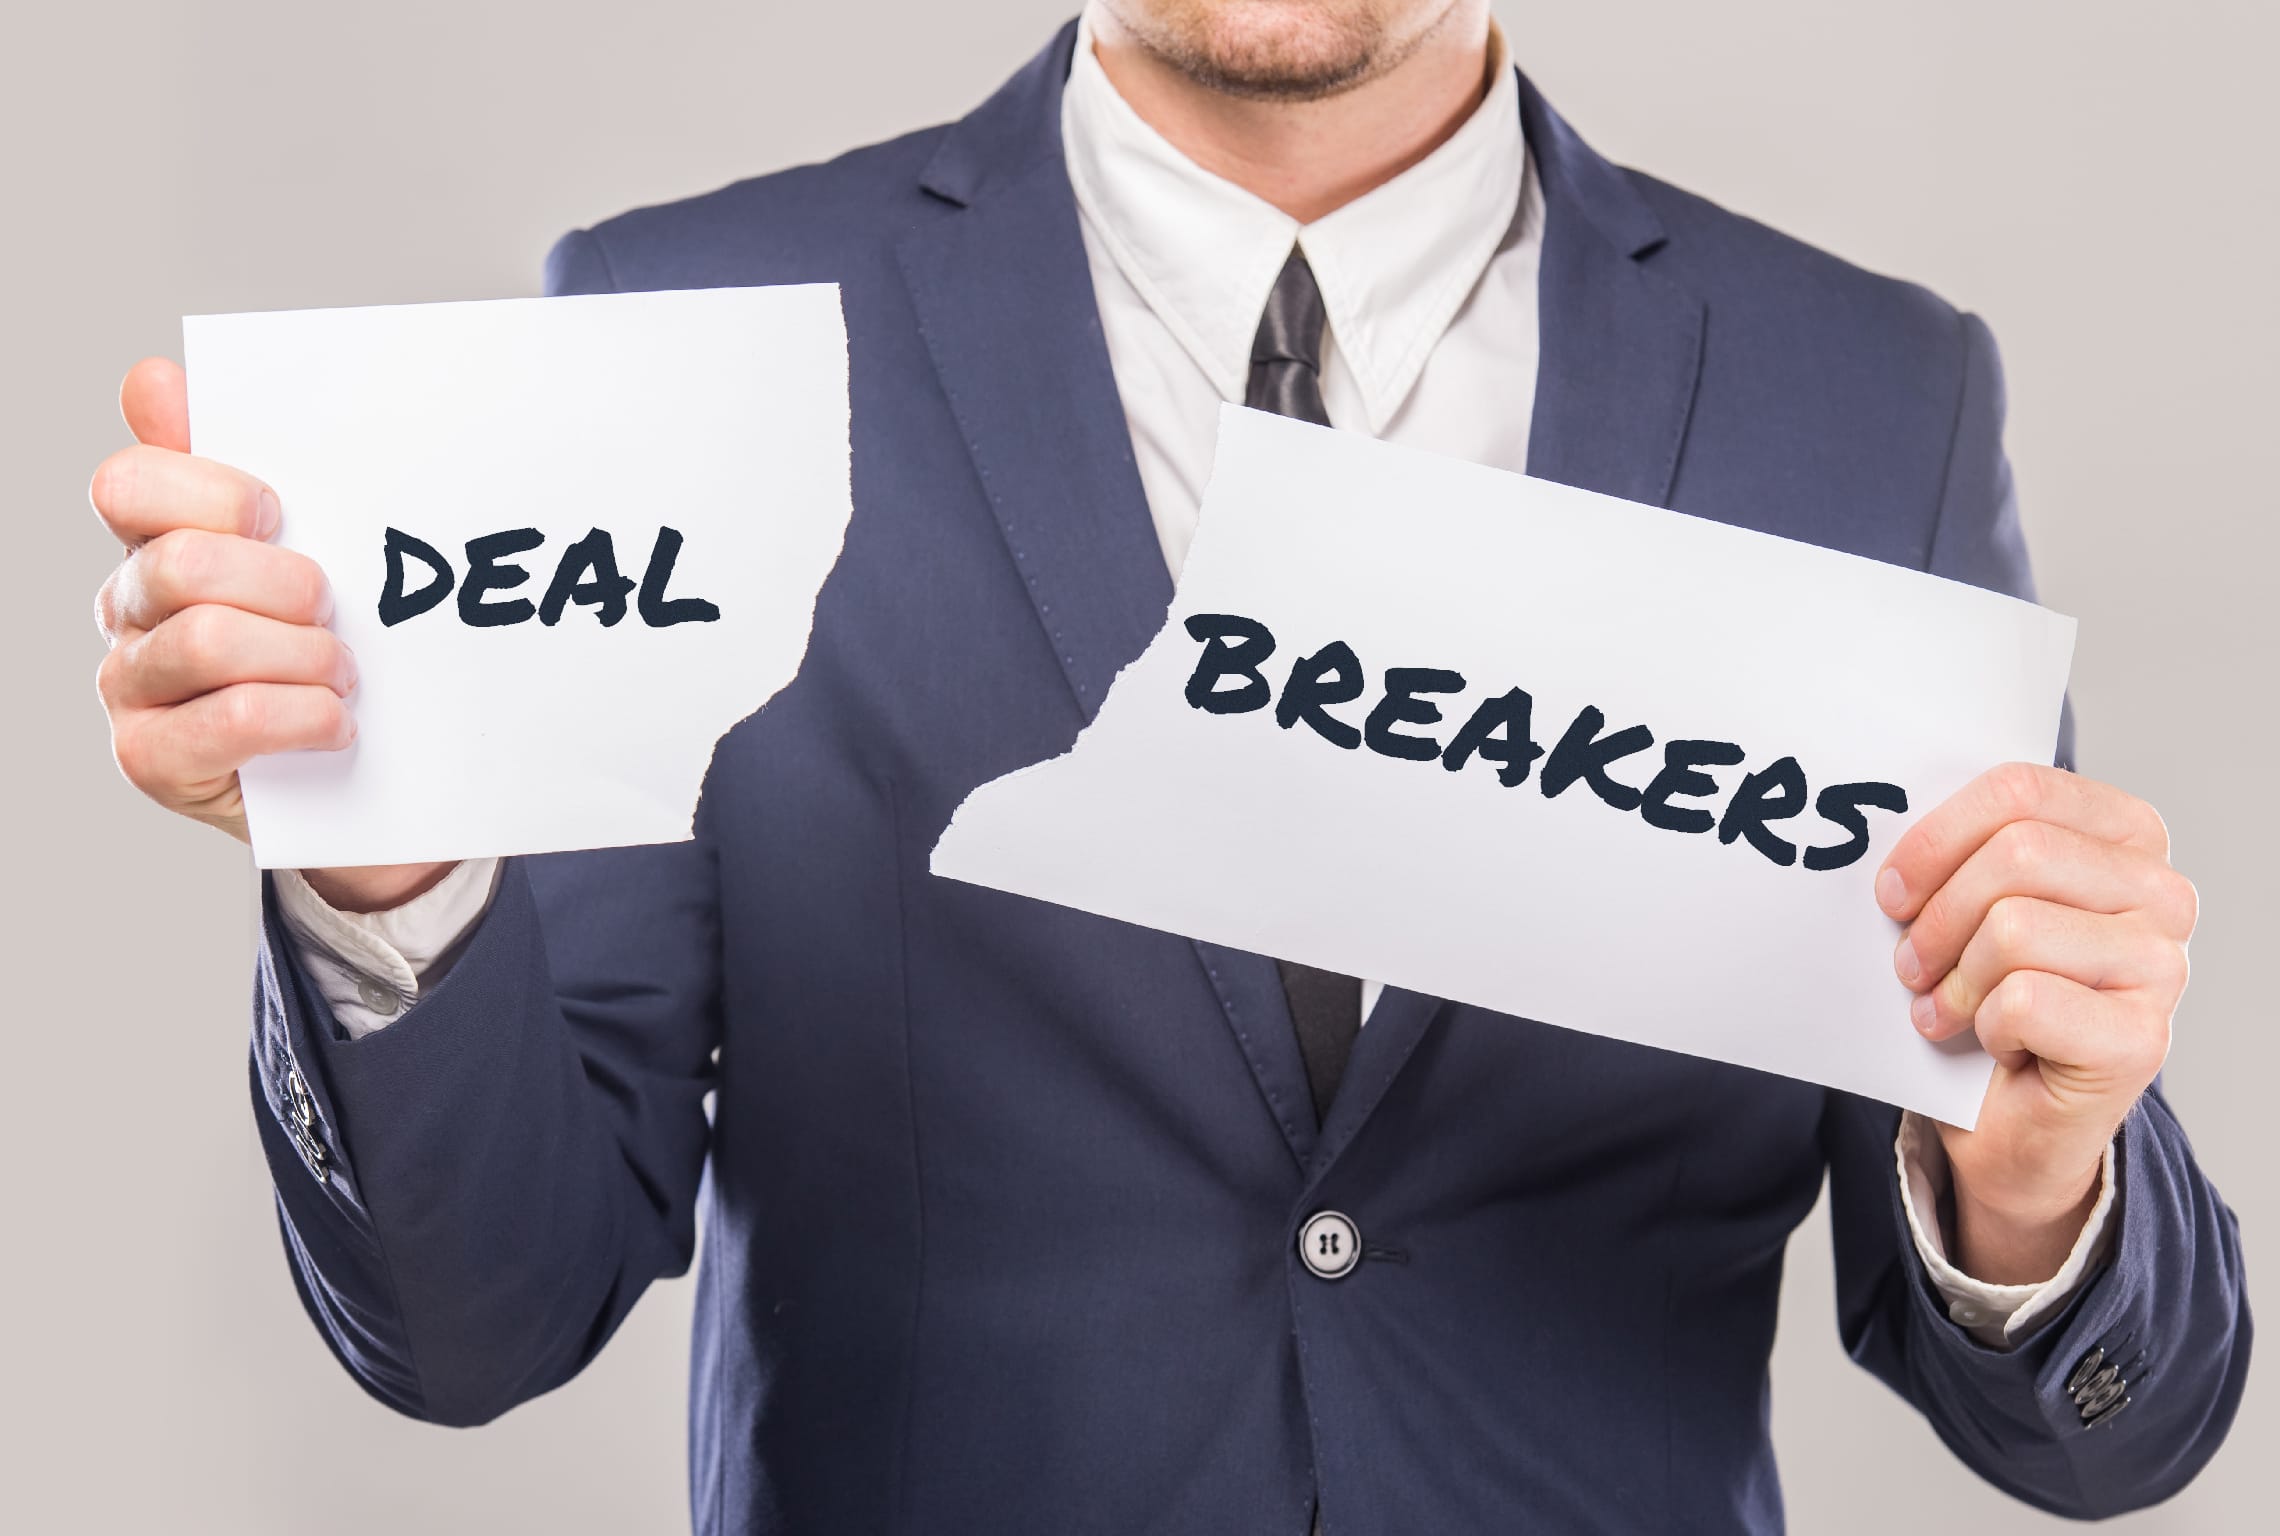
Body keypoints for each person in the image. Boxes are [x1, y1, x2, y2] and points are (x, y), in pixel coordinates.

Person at [87, 3, 2248, 1530]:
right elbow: (474, 1324)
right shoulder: (683, 326)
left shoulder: (1869, 403)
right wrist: (390, 873)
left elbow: (2103, 1436)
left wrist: (2037, 1178)